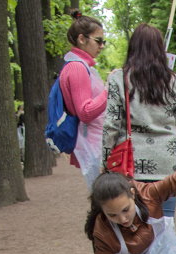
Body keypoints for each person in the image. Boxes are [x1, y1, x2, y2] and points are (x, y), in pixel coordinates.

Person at [102, 23, 176, 217]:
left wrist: (105, 160)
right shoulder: (174, 80)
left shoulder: (119, 78)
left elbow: (111, 124)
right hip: (168, 163)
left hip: (131, 162)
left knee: (134, 224)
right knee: (165, 225)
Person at [58, 9, 108, 188]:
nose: (102, 46)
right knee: (106, 198)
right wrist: (110, 89)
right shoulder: (77, 68)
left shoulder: (79, 66)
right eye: (98, 41)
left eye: (104, 41)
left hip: (94, 142)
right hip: (93, 145)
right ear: (81, 39)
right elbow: (85, 112)